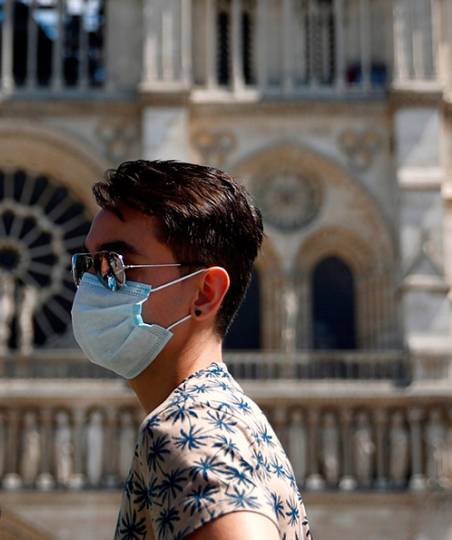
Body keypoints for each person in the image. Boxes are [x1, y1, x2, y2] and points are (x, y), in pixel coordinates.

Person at [70, 160, 310, 539]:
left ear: (204, 293)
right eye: (89, 264)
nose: (92, 284)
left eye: (116, 264)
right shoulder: (228, 415)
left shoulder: (187, 429)